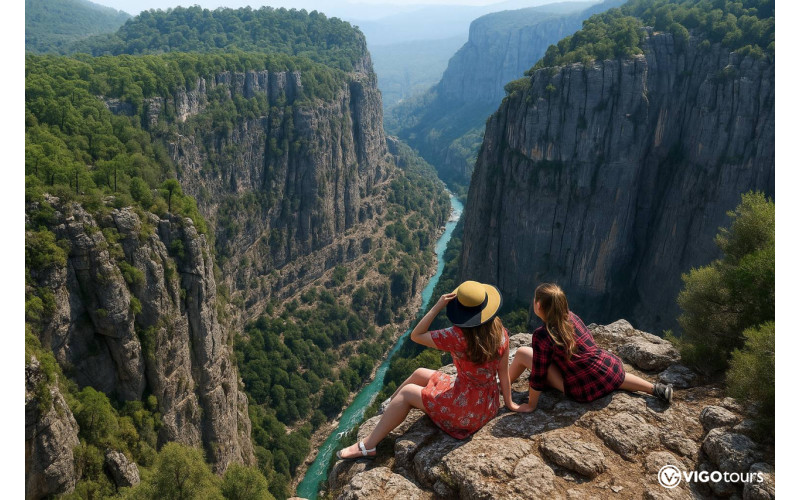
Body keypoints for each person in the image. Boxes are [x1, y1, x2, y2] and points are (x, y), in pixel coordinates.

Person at [337, 280, 523, 459]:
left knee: (408, 393)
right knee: (419, 373)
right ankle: (389, 413)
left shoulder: (456, 336)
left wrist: (437, 306)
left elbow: (416, 335)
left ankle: (368, 446)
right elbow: (503, 372)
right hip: (488, 406)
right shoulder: (500, 332)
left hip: (466, 414)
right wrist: (509, 402)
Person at [508, 283, 673, 411]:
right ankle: (655, 389)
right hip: (606, 370)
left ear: (538, 306)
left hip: (581, 388)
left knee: (523, 353)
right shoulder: (573, 317)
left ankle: (500, 385)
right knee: (618, 378)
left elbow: (538, 375)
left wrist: (530, 405)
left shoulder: (542, 335)